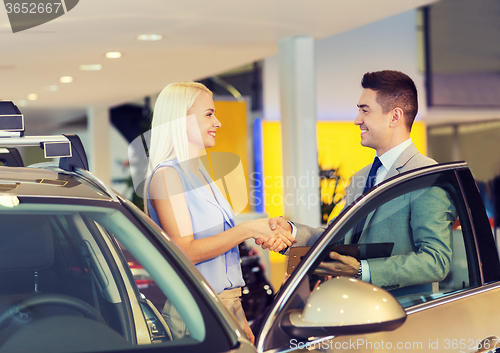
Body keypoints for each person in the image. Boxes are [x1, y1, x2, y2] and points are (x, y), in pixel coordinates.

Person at [267, 70, 456, 294]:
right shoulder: (361, 177)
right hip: (356, 310)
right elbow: (337, 237)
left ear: (395, 117)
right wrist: (291, 232)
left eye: (365, 111)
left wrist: (362, 270)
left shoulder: (425, 176)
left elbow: (436, 261)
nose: (357, 120)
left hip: (404, 316)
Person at [144, 82, 295, 343]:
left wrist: (241, 320)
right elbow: (186, 251)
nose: (218, 122)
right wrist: (247, 230)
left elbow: (220, 252)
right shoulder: (167, 176)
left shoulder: (199, 174)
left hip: (226, 305)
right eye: (209, 114)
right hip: (197, 311)